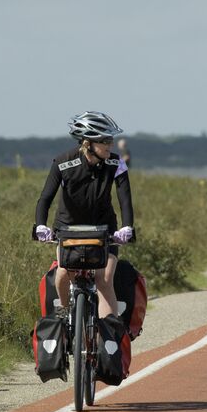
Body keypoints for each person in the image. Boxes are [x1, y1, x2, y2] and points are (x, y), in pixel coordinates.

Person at [33, 111, 135, 319]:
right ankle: (63, 313)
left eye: (111, 139)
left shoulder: (116, 164)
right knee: (63, 274)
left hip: (104, 229)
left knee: (104, 279)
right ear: (88, 143)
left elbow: (125, 200)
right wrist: (40, 226)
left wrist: (127, 227)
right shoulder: (62, 163)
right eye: (105, 140)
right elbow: (45, 198)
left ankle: (108, 338)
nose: (110, 145)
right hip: (69, 228)